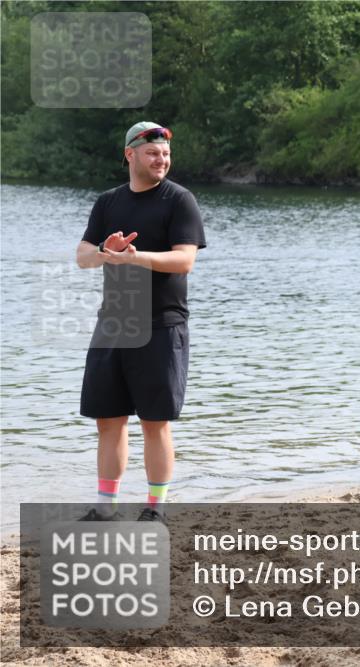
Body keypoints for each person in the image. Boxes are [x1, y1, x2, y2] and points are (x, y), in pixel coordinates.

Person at [76, 122, 207, 522]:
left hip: (162, 324)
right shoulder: (108, 202)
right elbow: (83, 256)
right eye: (153, 153)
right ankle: (105, 506)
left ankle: (155, 506)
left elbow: (184, 259)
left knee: (155, 422)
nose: (161, 159)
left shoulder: (179, 200)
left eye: (165, 153)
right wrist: (105, 250)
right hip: (113, 324)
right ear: (130, 154)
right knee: (108, 420)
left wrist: (134, 257)